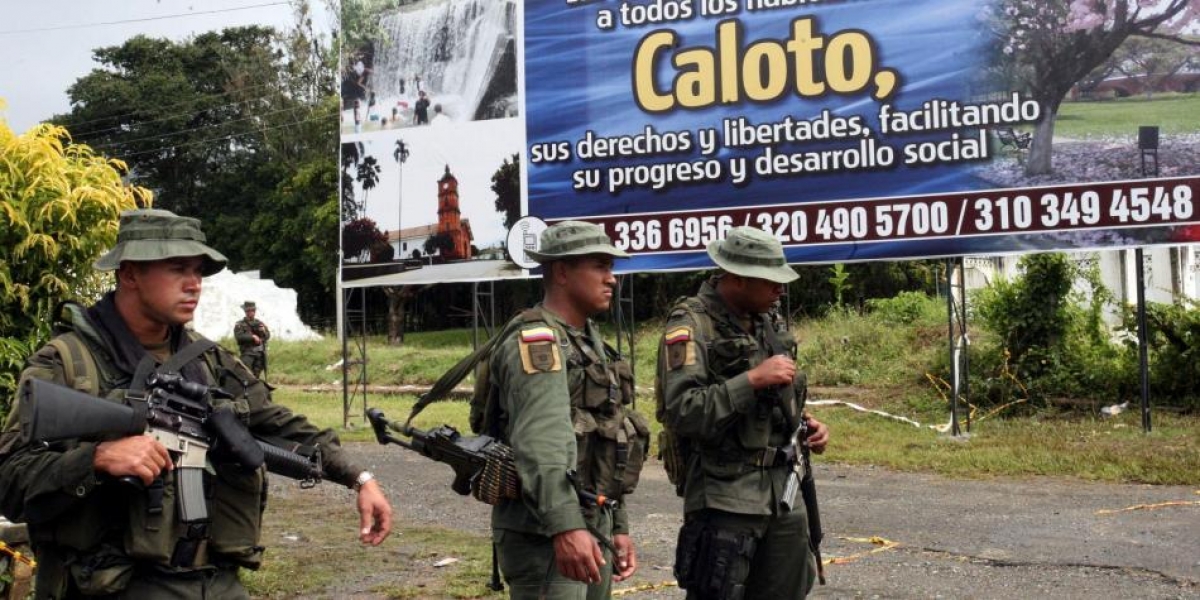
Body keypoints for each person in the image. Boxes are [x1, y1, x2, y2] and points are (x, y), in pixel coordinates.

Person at [0, 208, 392, 599]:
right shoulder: (66, 362)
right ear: (129, 273)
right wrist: (97, 459)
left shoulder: (208, 360)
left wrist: (358, 478)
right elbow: (9, 478)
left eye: (198, 271)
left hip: (214, 582)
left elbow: (276, 423)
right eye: (177, 268)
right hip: (110, 585)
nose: (194, 284)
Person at [656, 226, 829, 600]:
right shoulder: (691, 325)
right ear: (735, 279)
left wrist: (807, 426)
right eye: (770, 281)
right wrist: (750, 381)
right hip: (726, 495)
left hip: (783, 492)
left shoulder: (767, 322)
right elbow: (682, 411)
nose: (780, 289)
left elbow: (778, 404)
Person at [483, 221, 648, 599]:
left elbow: (610, 436)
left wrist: (617, 524)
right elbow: (541, 441)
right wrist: (565, 526)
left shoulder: (590, 343)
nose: (612, 280)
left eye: (611, 268)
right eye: (600, 266)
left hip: (589, 523)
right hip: (546, 534)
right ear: (561, 271)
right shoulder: (537, 343)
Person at [234, 301, 270, 378]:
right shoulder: (240, 324)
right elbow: (239, 337)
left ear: (255, 311)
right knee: (245, 374)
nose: (250, 312)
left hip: (259, 354)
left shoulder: (260, 323)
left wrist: (263, 332)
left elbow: (267, 336)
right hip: (248, 354)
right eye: (248, 311)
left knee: (256, 376)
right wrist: (252, 337)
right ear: (245, 312)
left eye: (252, 310)